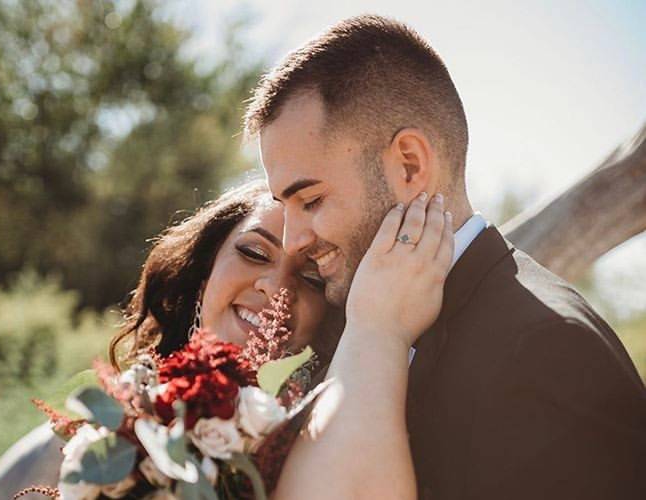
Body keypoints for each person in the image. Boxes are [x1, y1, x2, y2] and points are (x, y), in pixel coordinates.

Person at [246, 14, 646, 500]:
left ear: (409, 165)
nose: (292, 242)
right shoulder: (355, 327)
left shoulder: (545, 352)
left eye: (310, 201)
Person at [0, 179, 452, 499]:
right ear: (203, 274)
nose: (275, 288)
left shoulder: (320, 451)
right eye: (253, 253)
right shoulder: (73, 450)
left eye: (309, 278)